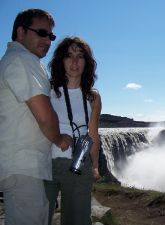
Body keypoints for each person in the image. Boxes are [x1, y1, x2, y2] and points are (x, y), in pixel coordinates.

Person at [0, 9, 73, 225]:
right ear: (20, 31)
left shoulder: (18, 60)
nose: (47, 40)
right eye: (41, 32)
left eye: (50, 36)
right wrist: (59, 139)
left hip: (22, 163)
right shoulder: (22, 60)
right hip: (22, 164)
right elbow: (43, 114)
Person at [44, 36, 101, 225]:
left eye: (80, 56)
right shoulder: (48, 90)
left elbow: (93, 134)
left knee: (78, 220)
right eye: (69, 56)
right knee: (39, 217)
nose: (74, 62)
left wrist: (94, 166)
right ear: (61, 60)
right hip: (45, 163)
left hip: (79, 164)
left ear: (87, 62)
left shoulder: (93, 96)